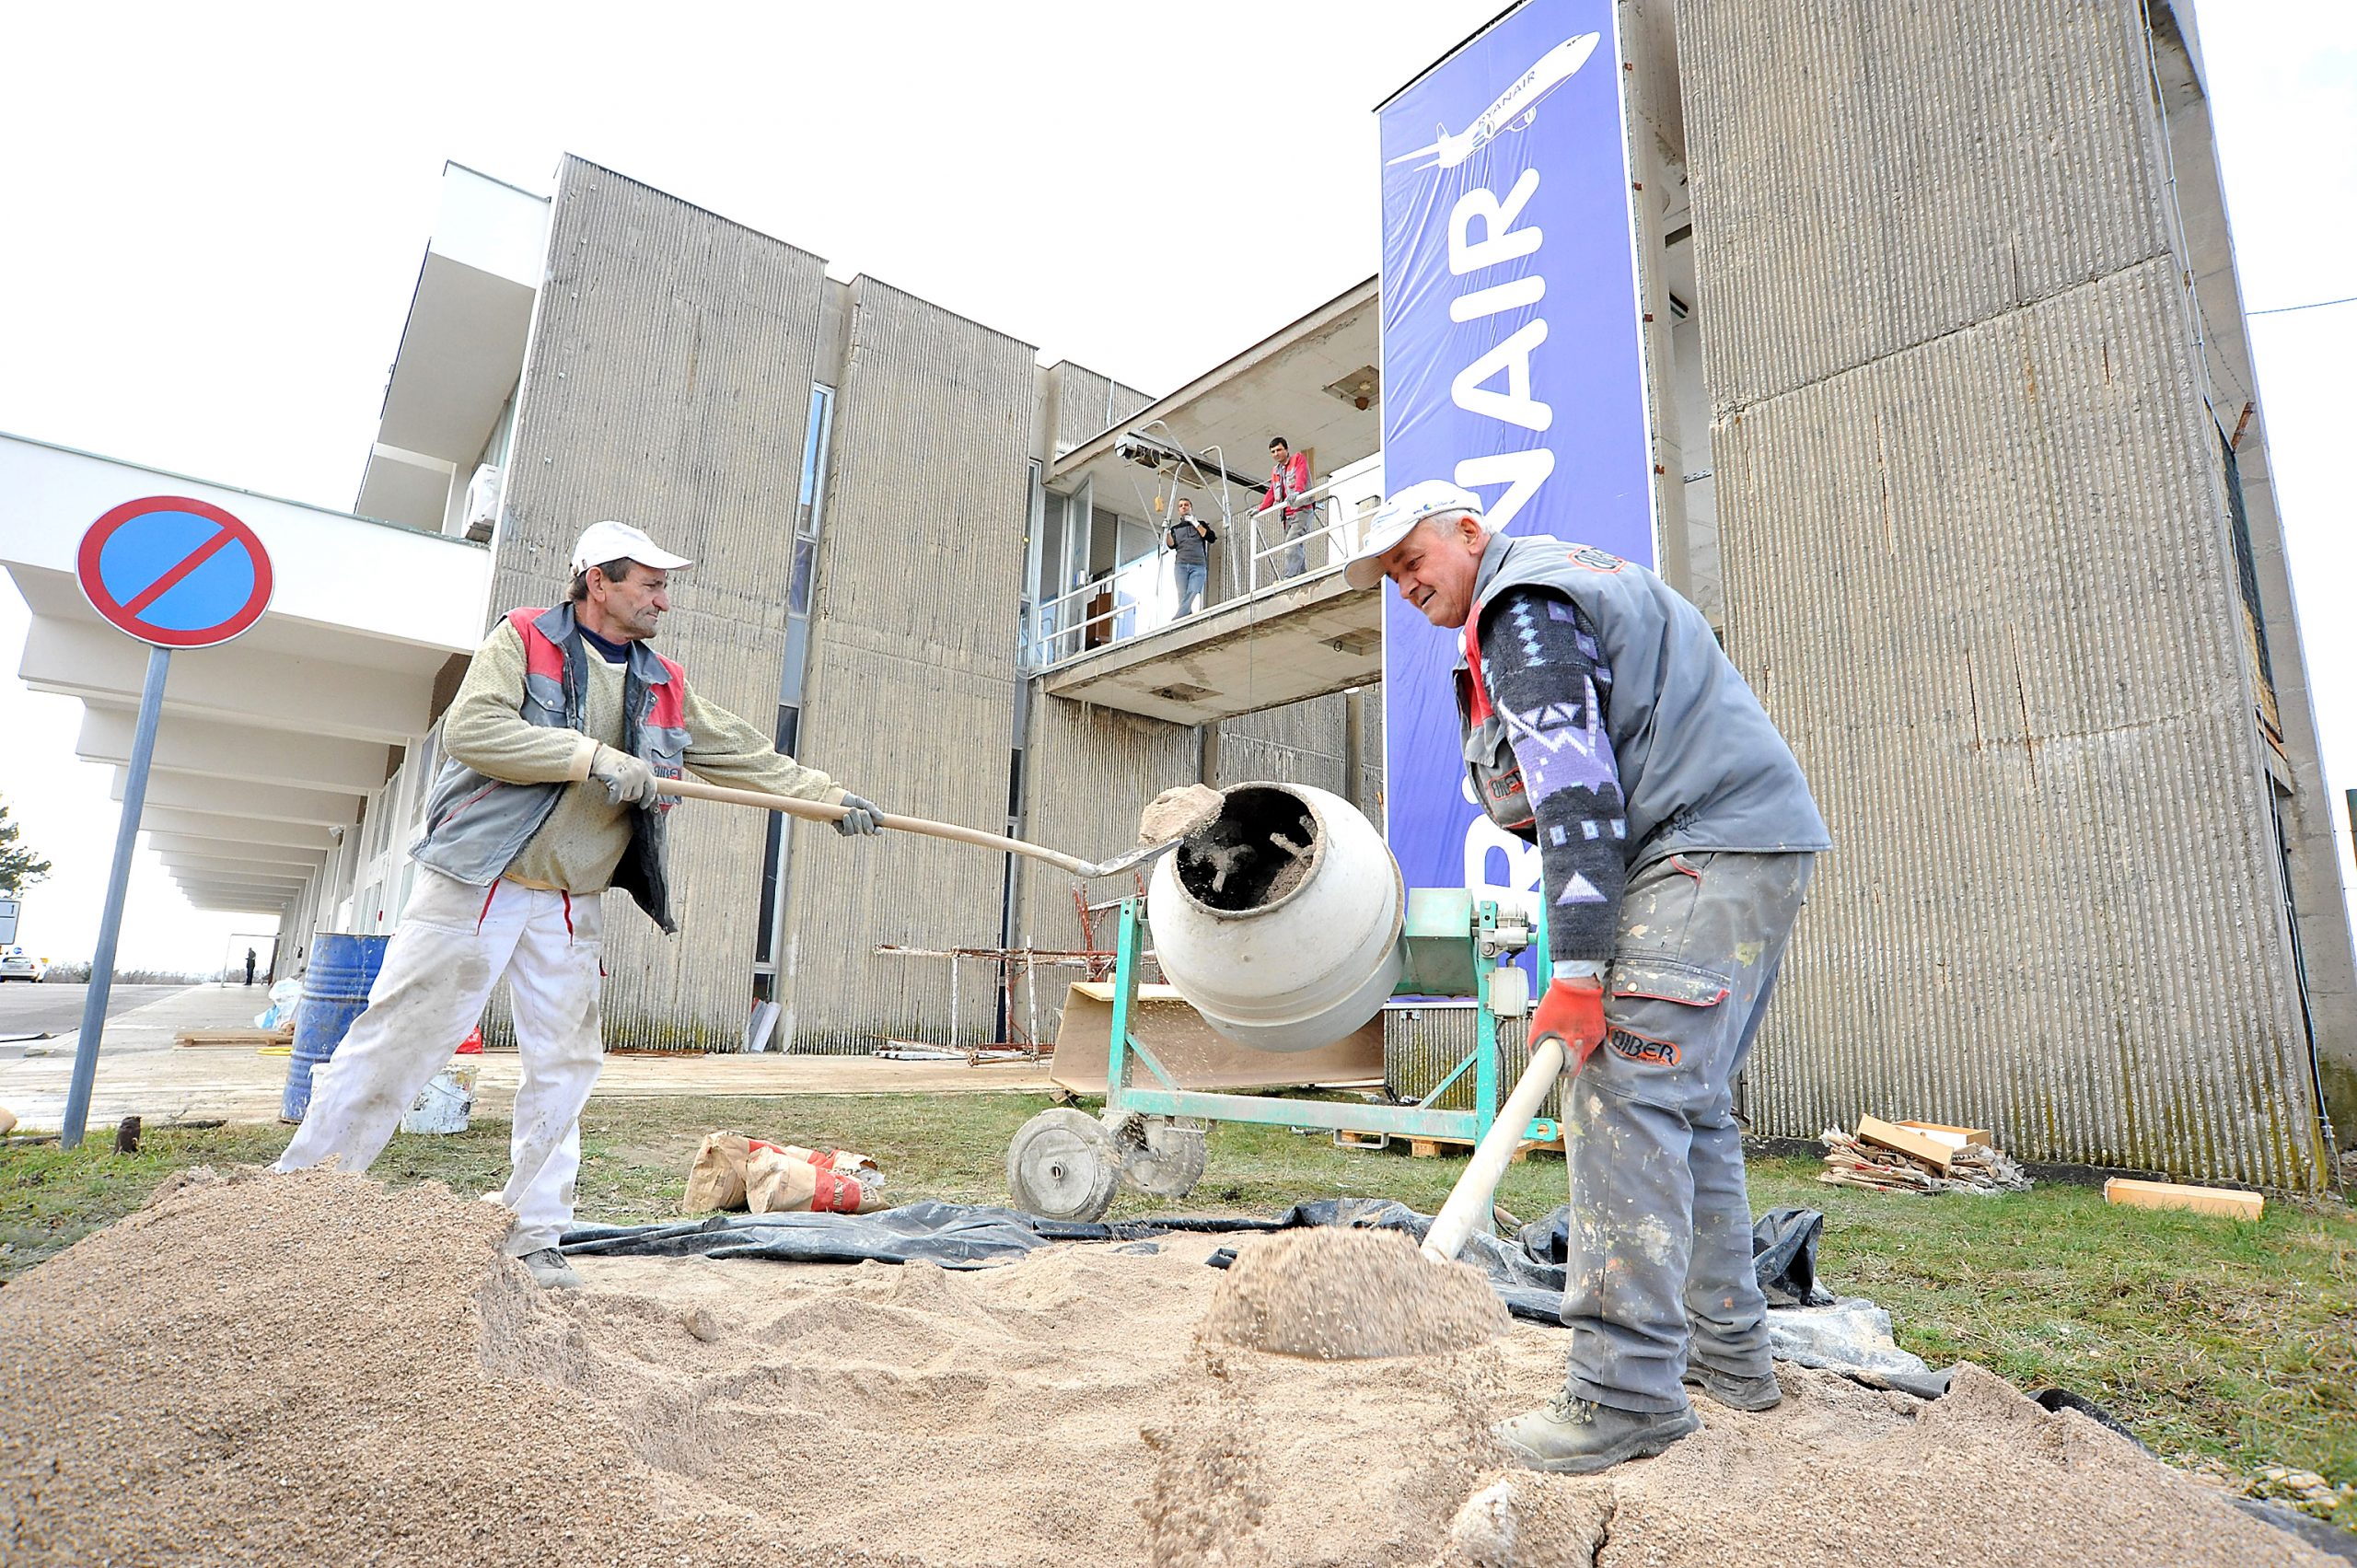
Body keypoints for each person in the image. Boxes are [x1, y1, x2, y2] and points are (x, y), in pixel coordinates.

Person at [1343, 482, 1830, 1475]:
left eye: (1412, 560)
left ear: (1469, 533)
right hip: (1749, 843)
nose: (1404, 585)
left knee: (1622, 1088)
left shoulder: (1521, 611)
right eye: (1389, 577)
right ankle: (1728, 1358)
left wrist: (1573, 970)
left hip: (1700, 846)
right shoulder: (1563, 585)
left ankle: (1623, 1393)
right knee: (1684, 1104)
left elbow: (1574, 790)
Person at [275, 520, 884, 1289]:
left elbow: (742, 752)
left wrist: (827, 799)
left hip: (569, 901)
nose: (664, 598)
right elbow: (472, 730)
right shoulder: (525, 637)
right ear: (598, 580)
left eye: (666, 586)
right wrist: (588, 756)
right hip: (478, 880)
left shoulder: (664, 681)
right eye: (650, 584)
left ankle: (535, 1232)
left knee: (564, 1069)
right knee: (398, 1042)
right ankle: (298, 1210)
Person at [1261, 437, 1316, 580]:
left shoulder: (1297, 459)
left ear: (1286, 450)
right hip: (1287, 516)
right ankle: (1303, 577)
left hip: (1301, 510)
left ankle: (1289, 578)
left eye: (1279, 450)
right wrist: (1261, 509)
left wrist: (1297, 491)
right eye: (1273, 452)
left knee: (1291, 544)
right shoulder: (1276, 471)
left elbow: (1301, 476)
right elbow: (1272, 491)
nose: (1276, 454)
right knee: (1295, 545)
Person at [1164, 497, 1213, 617]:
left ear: (1191, 508)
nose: (1184, 507)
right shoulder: (1176, 529)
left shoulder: (1200, 524)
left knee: (1193, 590)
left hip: (1198, 564)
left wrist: (1195, 523)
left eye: (1186, 505)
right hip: (1181, 565)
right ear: (1178, 511)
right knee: (1182, 595)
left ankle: (1178, 618)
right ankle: (1186, 617)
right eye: (1181, 506)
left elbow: (1210, 537)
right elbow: (1171, 545)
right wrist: (1167, 531)